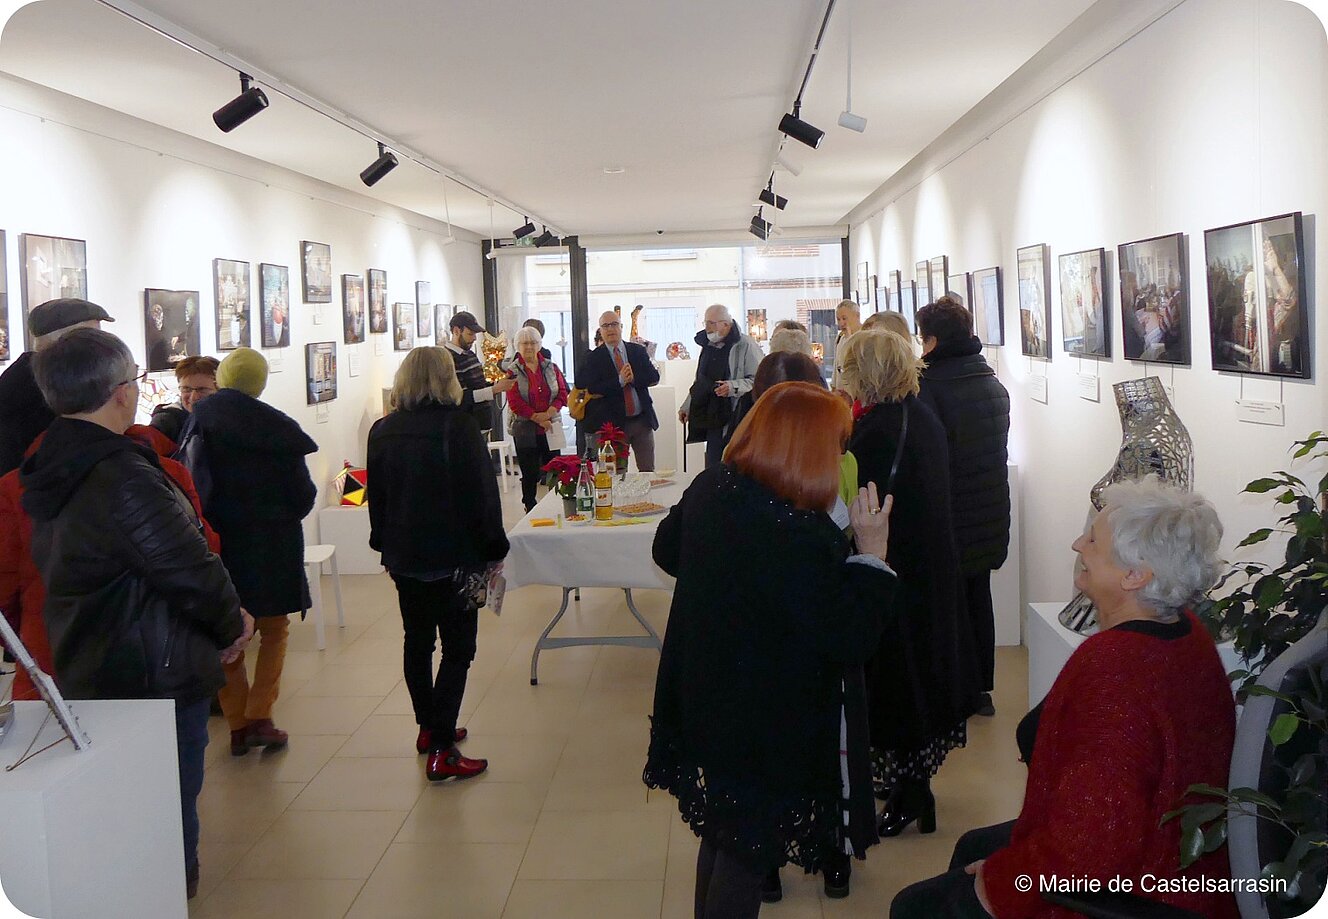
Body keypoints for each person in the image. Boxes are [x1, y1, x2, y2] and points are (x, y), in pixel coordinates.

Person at [891, 480, 1238, 919]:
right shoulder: (1186, 632)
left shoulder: (1114, 668)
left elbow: (1091, 846)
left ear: (1135, 575)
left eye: (1093, 538)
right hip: (1177, 854)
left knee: (913, 908)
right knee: (972, 846)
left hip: (1145, 884)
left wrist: (1002, 882)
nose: (1077, 543)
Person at [646, 382, 896, 918]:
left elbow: (666, 548)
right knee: (743, 848)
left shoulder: (715, 487)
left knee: (722, 833)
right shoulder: (795, 532)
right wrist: (872, 554)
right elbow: (849, 635)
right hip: (761, 716)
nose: (839, 456)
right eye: (833, 444)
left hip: (705, 691)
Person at [19, 329, 251, 899]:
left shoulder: (53, 461)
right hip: (156, 666)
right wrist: (231, 625)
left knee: (131, 800)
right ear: (121, 394)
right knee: (168, 801)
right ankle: (166, 892)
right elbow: (187, 565)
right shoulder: (119, 474)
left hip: (94, 656)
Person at [839, 329, 982, 838]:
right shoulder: (920, 417)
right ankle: (912, 788)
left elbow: (864, 506)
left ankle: (911, 794)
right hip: (929, 567)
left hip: (898, 571)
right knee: (918, 678)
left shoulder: (877, 429)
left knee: (898, 684)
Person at [0, 422, 221, 702]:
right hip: (153, 664)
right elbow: (202, 559)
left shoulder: (13, 487)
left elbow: (4, 597)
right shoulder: (165, 474)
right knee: (166, 744)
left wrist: (32, 638)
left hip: (52, 667)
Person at [367, 347, 509, 781]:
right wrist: (495, 549)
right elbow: (482, 498)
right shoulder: (458, 428)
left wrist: (383, 547)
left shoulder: (382, 430)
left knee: (417, 642)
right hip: (454, 557)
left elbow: (379, 498)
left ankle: (429, 727)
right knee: (459, 649)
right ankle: (443, 748)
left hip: (405, 556)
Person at [177, 347, 316, 756]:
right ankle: (261, 715)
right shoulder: (278, 428)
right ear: (259, 383)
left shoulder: (198, 423)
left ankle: (237, 723)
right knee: (274, 630)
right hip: (273, 543)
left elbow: (188, 485)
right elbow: (303, 495)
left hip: (219, 544)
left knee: (226, 633)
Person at [916, 297, 1011, 717]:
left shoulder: (931, 386)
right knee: (978, 595)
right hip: (988, 507)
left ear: (933, 340)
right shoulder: (990, 380)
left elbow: (931, 459)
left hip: (951, 512)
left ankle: (954, 688)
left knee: (947, 603)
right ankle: (979, 690)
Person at [0, 298, 114, 476]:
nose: (102, 348)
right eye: (93, 338)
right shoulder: (42, 389)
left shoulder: (31, 379)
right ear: (65, 342)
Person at [678, 304, 760, 468]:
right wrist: (687, 406)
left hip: (738, 416)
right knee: (713, 466)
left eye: (712, 323)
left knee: (734, 466)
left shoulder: (746, 345)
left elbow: (757, 381)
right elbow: (699, 382)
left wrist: (732, 387)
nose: (708, 328)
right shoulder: (707, 346)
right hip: (713, 416)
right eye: (706, 323)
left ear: (726, 324)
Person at [579, 310, 661, 470]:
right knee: (617, 473)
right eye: (606, 326)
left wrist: (633, 378)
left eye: (614, 324)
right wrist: (620, 381)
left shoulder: (636, 351)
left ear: (621, 327)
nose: (610, 329)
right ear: (600, 330)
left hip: (641, 421)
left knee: (647, 470)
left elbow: (653, 376)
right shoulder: (594, 358)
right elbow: (593, 387)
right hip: (614, 426)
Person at [506, 326, 569, 511]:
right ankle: (530, 506)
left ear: (539, 345)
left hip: (551, 426)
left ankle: (557, 504)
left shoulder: (551, 367)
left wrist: (548, 414)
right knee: (530, 471)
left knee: (555, 469)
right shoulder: (512, 371)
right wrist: (537, 417)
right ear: (518, 346)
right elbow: (514, 401)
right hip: (525, 429)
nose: (529, 347)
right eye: (525, 343)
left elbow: (563, 393)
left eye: (533, 342)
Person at [445, 310, 515, 436]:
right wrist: (494, 390)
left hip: (480, 423)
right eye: (470, 334)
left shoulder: (470, 354)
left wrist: (498, 384)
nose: (474, 338)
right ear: (456, 331)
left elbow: (479, 385)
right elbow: (459, 397)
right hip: (465, 426)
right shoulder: (447, 359)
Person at [149, 355, 220, 443]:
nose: (194, 397)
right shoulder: (166, 421)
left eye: (202, 389)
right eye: (187, 389)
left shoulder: (228, 417)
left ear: (220, 390)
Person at [831, 299, 862, 390]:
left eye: (844, 318)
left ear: (857, 316)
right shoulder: (840, 338)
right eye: (838, 319)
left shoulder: (865, 338)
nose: (841, 323)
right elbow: (836, 368)